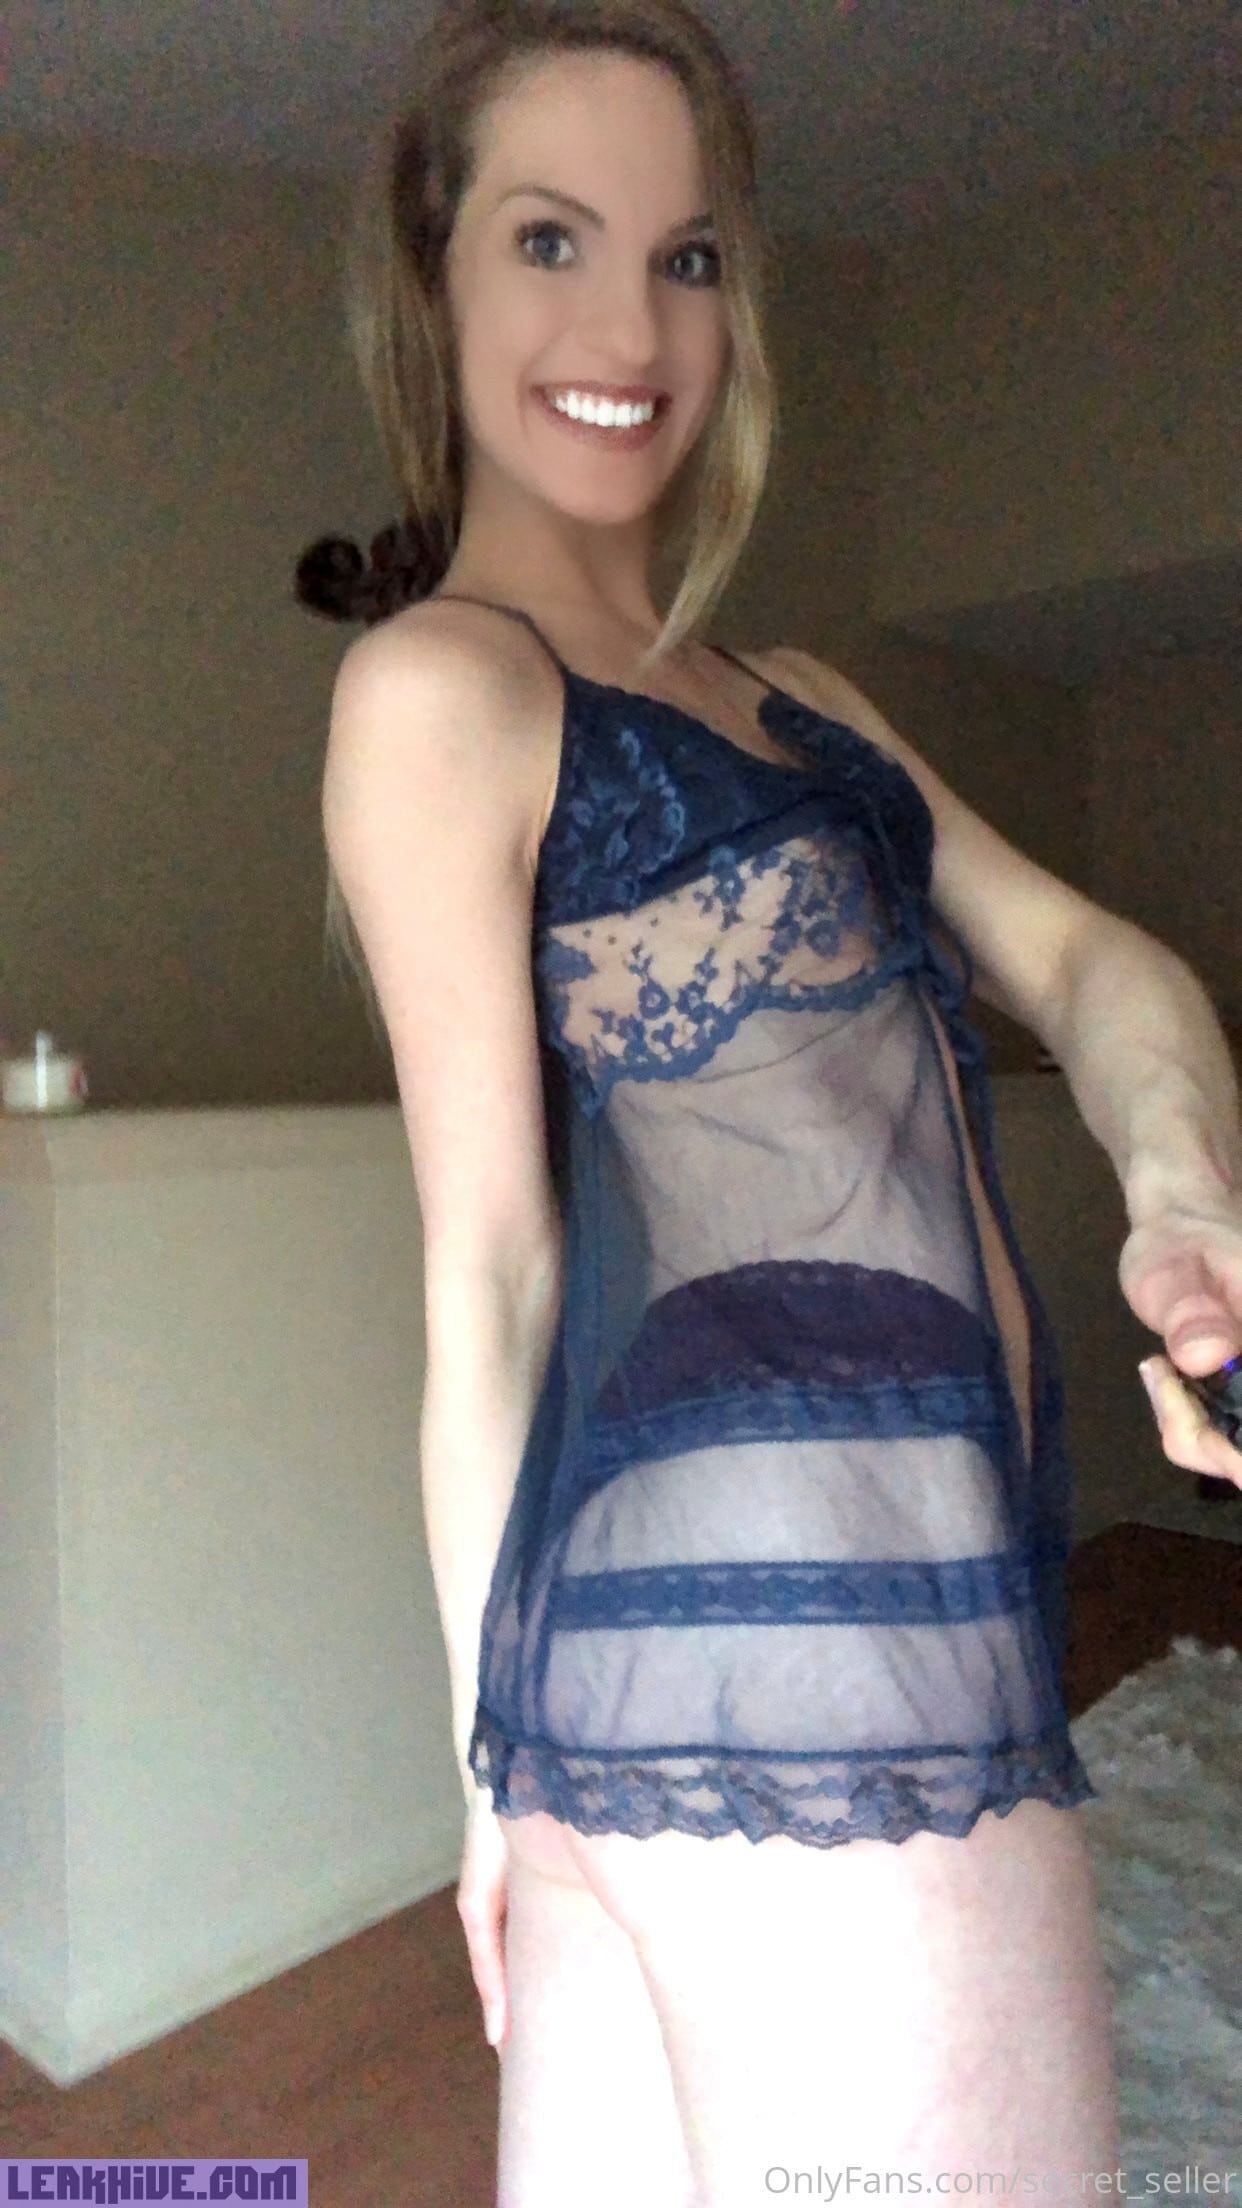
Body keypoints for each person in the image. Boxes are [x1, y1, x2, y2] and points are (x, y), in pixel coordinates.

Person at [301, 3, 1242, 2199]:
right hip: (816, 1635)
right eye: (551, 238)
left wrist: (1180, 1187)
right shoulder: (447, 683)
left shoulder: (803, 701)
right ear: (432, 285)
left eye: (689, 255)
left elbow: (1096, 966)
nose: (629, 324)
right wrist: (484, 1770)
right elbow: (490, 1275)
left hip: (742, 1624)